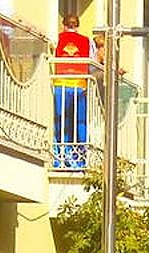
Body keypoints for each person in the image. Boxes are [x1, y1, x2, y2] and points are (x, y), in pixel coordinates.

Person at [52, 13, 91, 169]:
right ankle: (80, 157)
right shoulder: (86, 41)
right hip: (79, 85)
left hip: (61, 84)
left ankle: (61, 155)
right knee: (79, 122)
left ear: (63, 24)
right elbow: (93, 62)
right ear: (78, 25)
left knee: (61, 122)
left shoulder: (57, 39)